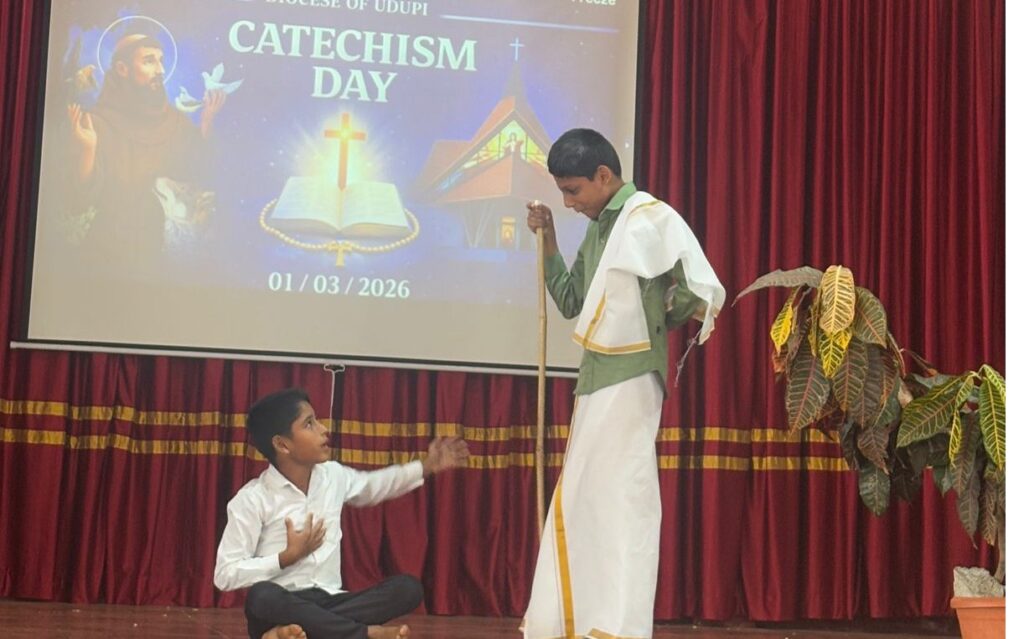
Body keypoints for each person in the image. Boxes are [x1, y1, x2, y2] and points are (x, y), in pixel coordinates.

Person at [522, 129, 726, 639]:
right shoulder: (600, 229)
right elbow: (571, 300)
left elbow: (696, 289)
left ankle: (617, 625)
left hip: (631, 376)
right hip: (596, 378)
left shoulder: (648, 217)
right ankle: (576, 620)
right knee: (585, 498)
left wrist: (656, 318)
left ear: (603, 176)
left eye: (573, 191)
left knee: (620, 501)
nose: (568, 203)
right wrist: (549, 238)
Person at [214, 388, 469, 639]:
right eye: (309, 424)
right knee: (261, 597)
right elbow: (225, 575)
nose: (324, 429)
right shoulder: (252, 499)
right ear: (282, 444)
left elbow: (374, 485)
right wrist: (285, 558)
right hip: (282, 602)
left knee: (408, 589)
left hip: (333, 600)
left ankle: (294, 632)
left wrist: (427, 466)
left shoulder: (333, 475)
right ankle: (363, 634)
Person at [66, 33, 226, 262]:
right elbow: (78, 200)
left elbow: (196, 169)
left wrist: (207, 122)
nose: (160, 70)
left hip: (161, 253)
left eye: (161, 61)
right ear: (122, 69)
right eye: (149, 61)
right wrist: (88, 150)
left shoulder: (174, 121)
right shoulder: (97, 122)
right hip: (109, 250)